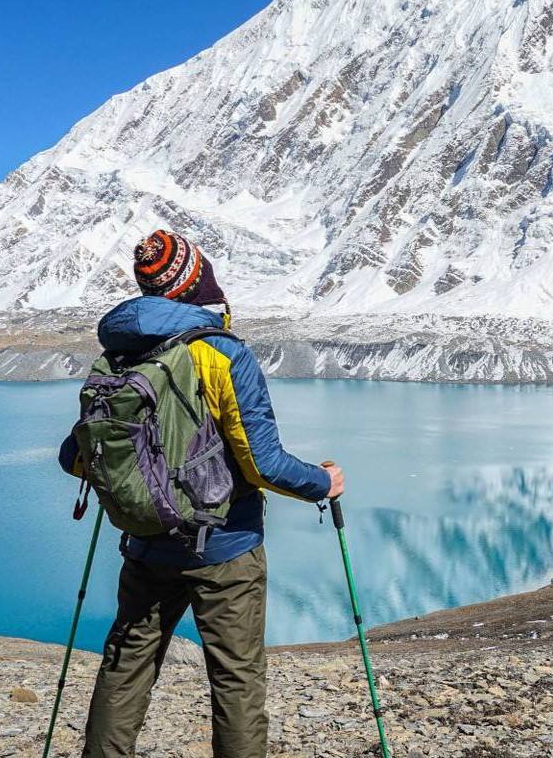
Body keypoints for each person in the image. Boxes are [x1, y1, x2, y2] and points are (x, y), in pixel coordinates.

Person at [57, 229, 343, 758]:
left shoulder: (120, 356)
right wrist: (323, 482)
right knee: (235, 680)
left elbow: (74, 456)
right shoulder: (219, 353)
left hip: (144, 543)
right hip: (225, 547)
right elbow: (262, 464)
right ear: (198, 284)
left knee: (126, 666)